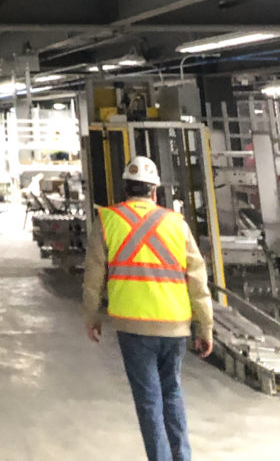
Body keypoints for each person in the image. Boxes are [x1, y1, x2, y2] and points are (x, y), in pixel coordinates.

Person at [83, 155, 214, 461]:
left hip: (134, 327)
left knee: (149, 401)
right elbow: (197, 279)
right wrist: (204, 327)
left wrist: (92, 317)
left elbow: (93, 278)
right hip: (176, 326)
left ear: (125, 189)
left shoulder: (106, 221)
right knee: (172, 393)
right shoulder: (176, 224)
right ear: (155, 192)